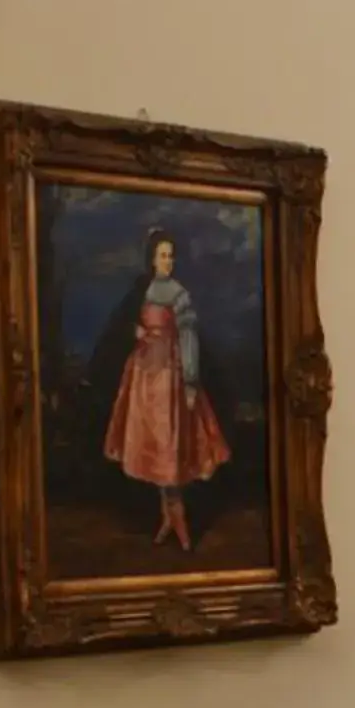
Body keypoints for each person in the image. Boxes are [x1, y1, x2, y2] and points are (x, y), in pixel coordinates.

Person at [100, 228, 230, 549]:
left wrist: (189, 381)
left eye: (171, 256)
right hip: (144, 376)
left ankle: (179, 518)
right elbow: (121, 322)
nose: (168, 261)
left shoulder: (179, 294)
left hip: (169, 379)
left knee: (170, 448)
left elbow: (188, 338)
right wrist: (135, 330)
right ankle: (168, 517)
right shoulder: (141, 290)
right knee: (153, 447)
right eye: (162, 255)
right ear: (152, 258)